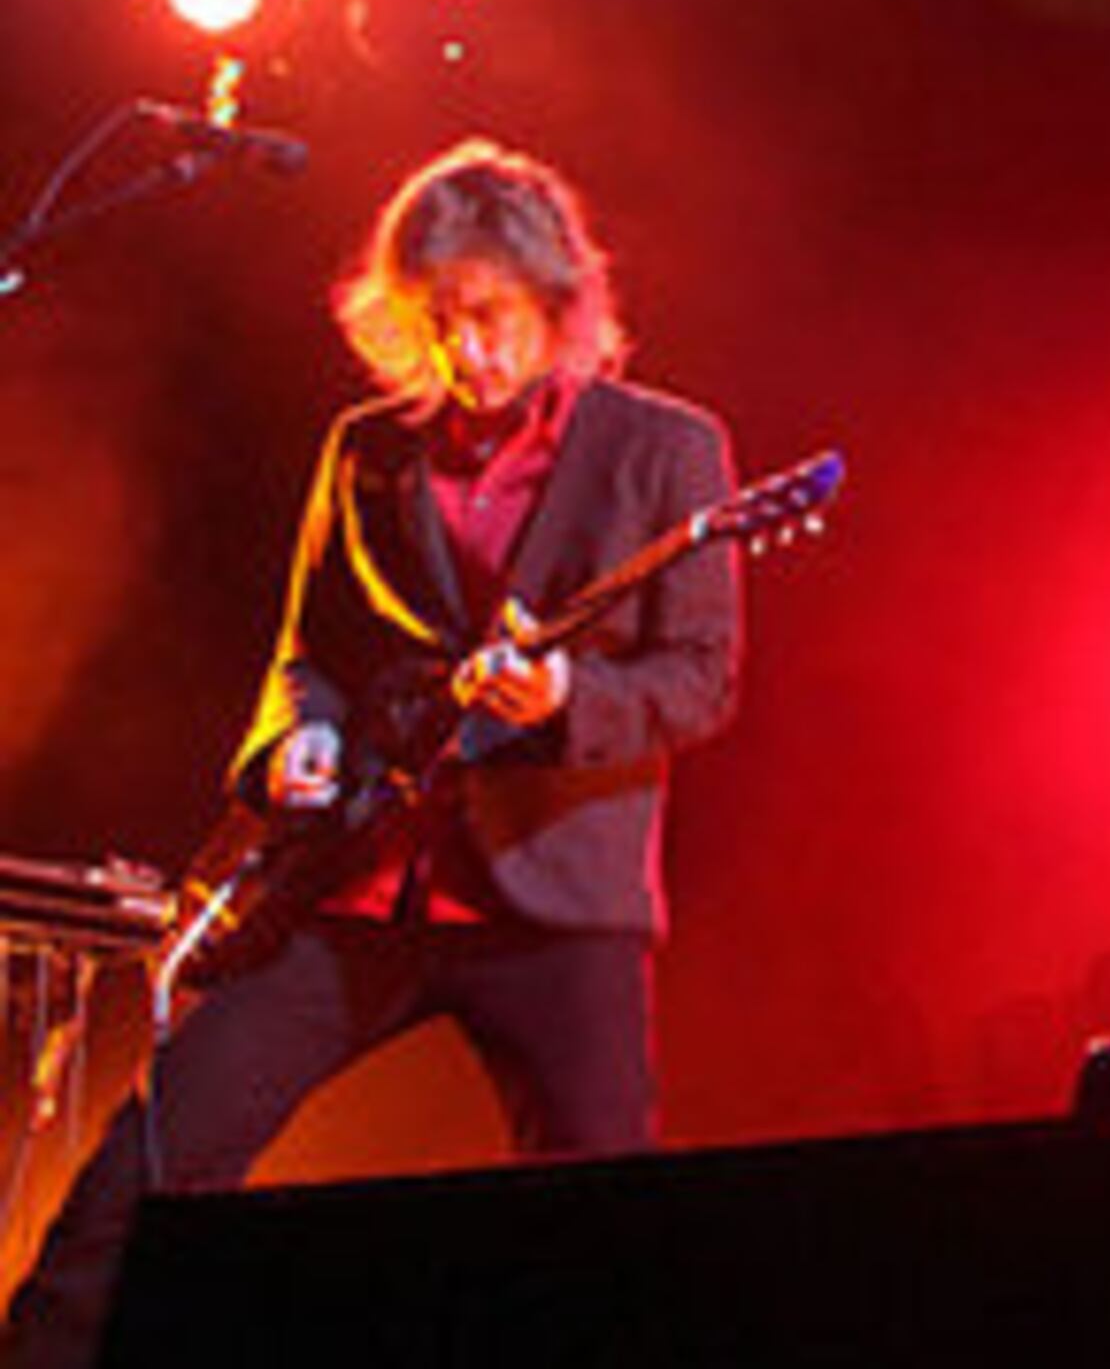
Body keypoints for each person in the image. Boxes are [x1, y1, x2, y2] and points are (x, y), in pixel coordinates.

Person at [2, 142, 743, 1369]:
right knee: (146, 1162)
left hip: (554, 904)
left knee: (609, 1225)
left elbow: (701, 680)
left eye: (495, 319)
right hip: (355, 887)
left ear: (561, 305)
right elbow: (308, 655)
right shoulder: (366, 448)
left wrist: (566, 691)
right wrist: (297, 739)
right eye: (441, 322)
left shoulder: (667, 449)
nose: (470, 352)